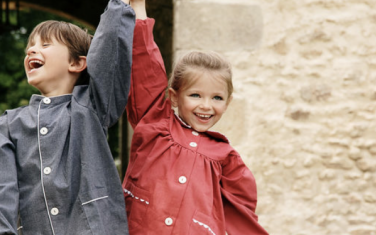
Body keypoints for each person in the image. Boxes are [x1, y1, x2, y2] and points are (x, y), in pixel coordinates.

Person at [122, 0, 269, 234]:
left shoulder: (227, 159)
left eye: (217, 98)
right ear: (174, 96)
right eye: (195, 95)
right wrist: (138, 6)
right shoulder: (155, 124)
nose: (206, 106)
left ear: (228, 102)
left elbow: (242, 219)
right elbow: (144, 67)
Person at [0, 0, 135, 234]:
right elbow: (4, 190)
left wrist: (119, 4)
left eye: (45, 44)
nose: (31, 50)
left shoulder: (91, 107)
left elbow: (108, 54)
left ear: (77, 62)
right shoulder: (9, 124)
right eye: (29, 47)